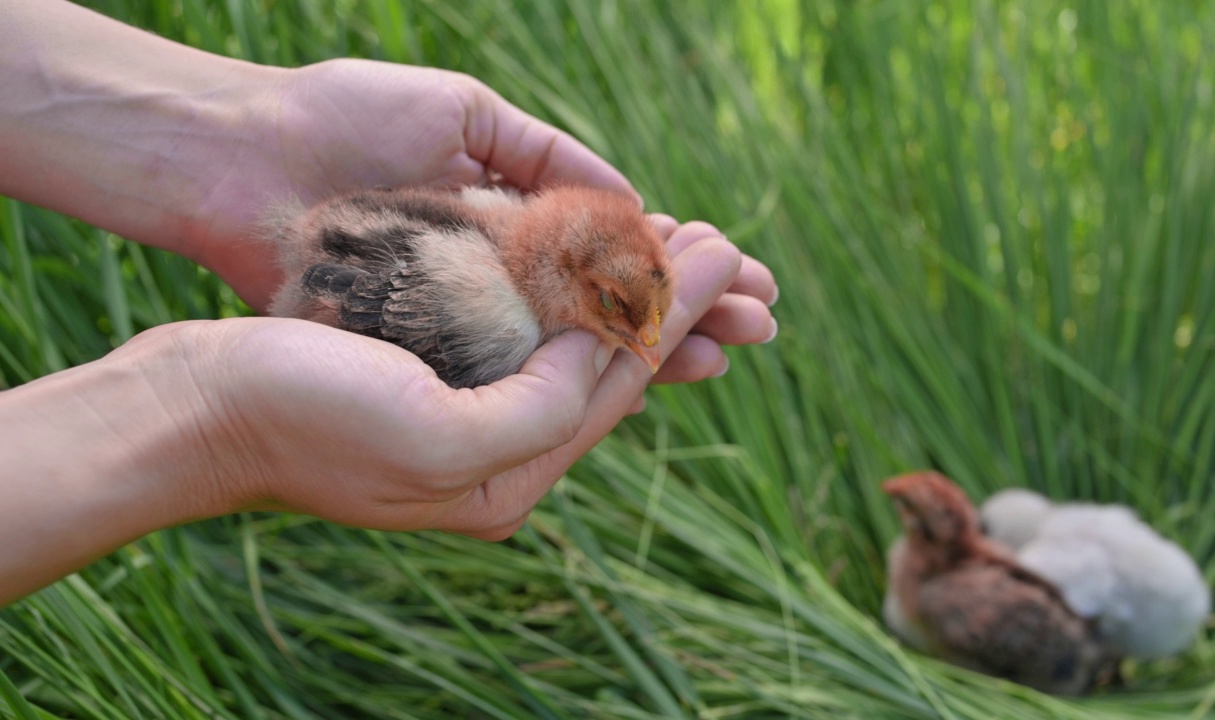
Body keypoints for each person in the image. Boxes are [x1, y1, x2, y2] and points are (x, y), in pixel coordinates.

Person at [0, 0, 778, 605]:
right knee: (495, 333)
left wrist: (240, 132)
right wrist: (221, 419)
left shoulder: (502, 220)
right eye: (617, 308)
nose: (640, 338)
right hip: (365, 274)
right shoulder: (494, 311)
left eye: (649, 312)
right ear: (568, 272)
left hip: (405, 244)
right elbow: (333, 275)